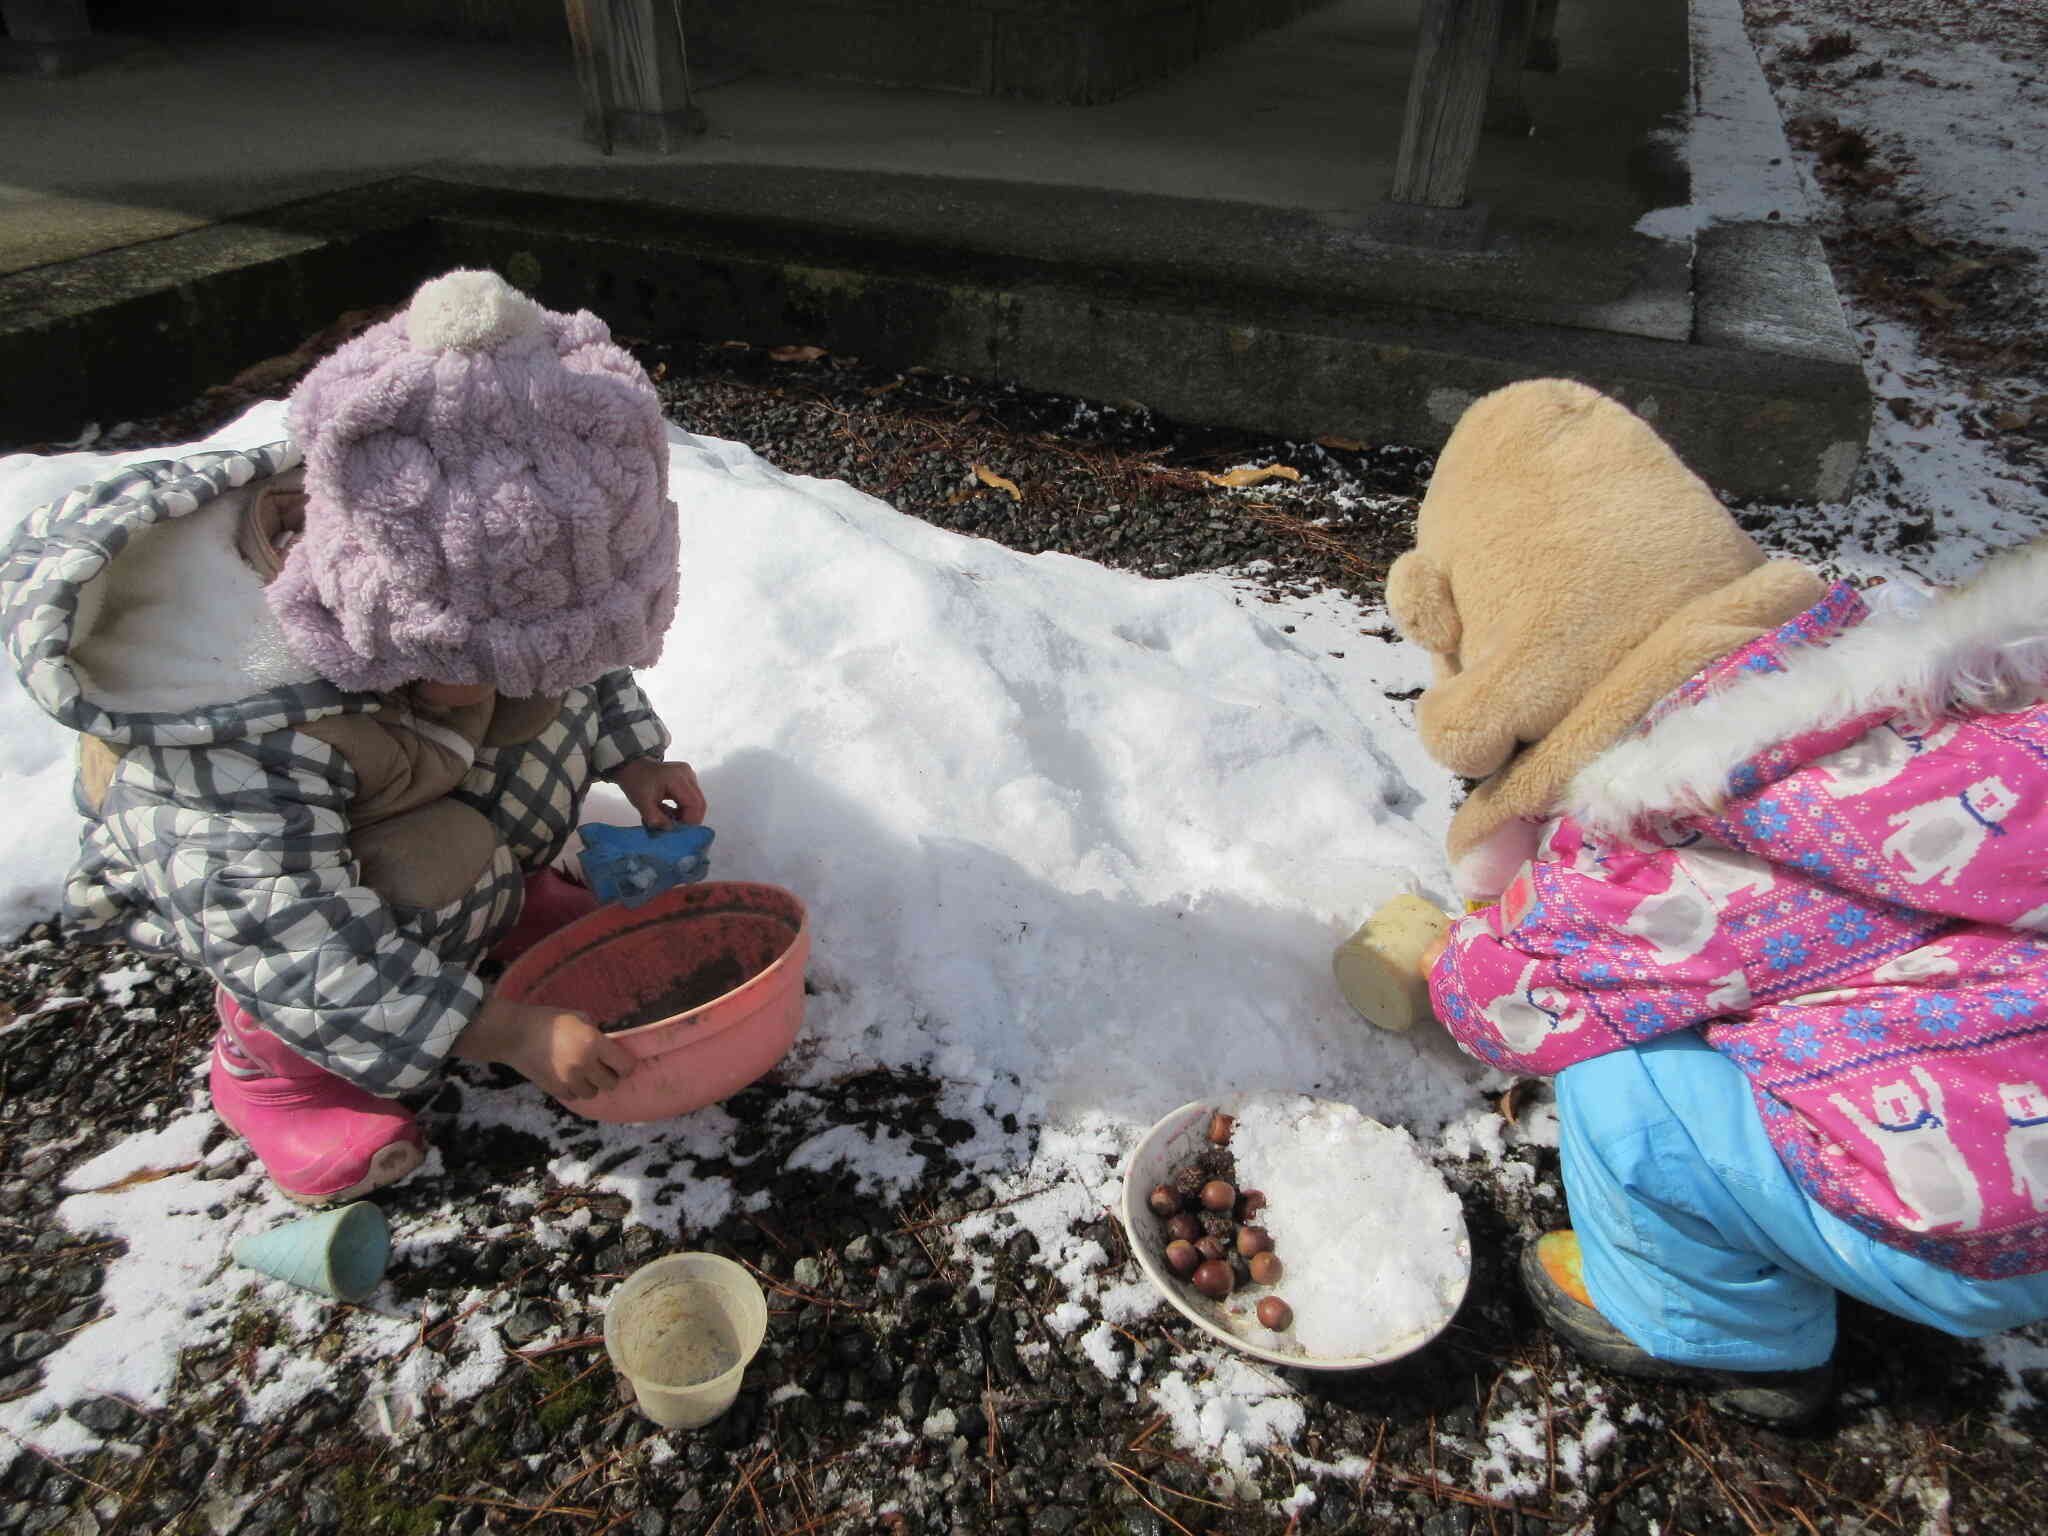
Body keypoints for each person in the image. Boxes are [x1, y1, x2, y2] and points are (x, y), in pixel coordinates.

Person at [1371, 377, 2048, 1425]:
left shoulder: (1648, 828)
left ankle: (1714, 1329)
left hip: (1977, 1225)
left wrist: (1443, 954)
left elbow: (1504, 1004)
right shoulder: (1934, 689)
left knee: (1623, 1091)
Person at [0, 269, 708, 1206]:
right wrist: (507, 1035)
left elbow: (555, 635)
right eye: (485, 655)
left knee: (540, 707)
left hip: (404, 757)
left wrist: (631, 748)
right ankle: (274, 1076)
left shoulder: (467, 573)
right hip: (267, 894)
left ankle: (501, 898)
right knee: (423, 865)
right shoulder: (222, 721)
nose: (521, 672)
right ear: (367, 607)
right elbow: (283, 930)